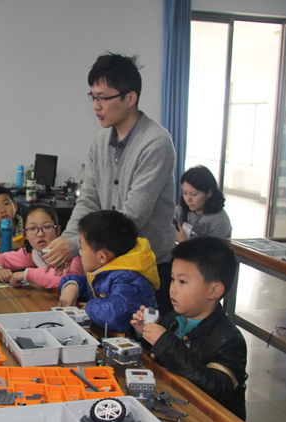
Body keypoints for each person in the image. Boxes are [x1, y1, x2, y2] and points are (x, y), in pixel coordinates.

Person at [42, 53, 176, 314]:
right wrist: (67, 240)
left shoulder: (155, 142)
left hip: (146, 269)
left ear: (130, 97)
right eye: (92, 97)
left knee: (141, 335)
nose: (96, 106)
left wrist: (76, 246)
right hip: (108, 266)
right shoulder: (99, 143)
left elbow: (133, 215)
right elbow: (88, 199)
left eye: (103, 98)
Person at [131, 237, 247, 420]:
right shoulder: (172, 318)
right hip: (173, 403)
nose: (173, 289)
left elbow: (216, 387)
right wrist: (143, 333)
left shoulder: (229, 340)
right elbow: (157, 359)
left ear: (214, 291)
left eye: (182, 282)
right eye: (172, 279)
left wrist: (165, 343)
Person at [58, 210, 159, 332]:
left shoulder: (128, 280)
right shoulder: (107, 269)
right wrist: (72, 286)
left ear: (101, 256)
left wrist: (90, 305)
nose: (80, 253)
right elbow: (91, 287)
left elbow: (113, 316)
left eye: (82, 248)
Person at [0, 206, 83, 289]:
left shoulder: (71, 253)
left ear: (58, 230)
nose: (40, 234)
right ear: (24, 234)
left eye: (47, 227)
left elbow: (72, 278)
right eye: (32, 228)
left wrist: (26, 275)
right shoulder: (30, 254)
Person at [174, 166, 232, 241]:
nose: (188, 199)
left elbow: (212, 248)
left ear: (209, 193)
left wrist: (183, 242)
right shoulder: (181, 209)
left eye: (193, 194)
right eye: (185, 193)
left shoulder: (219, 221)